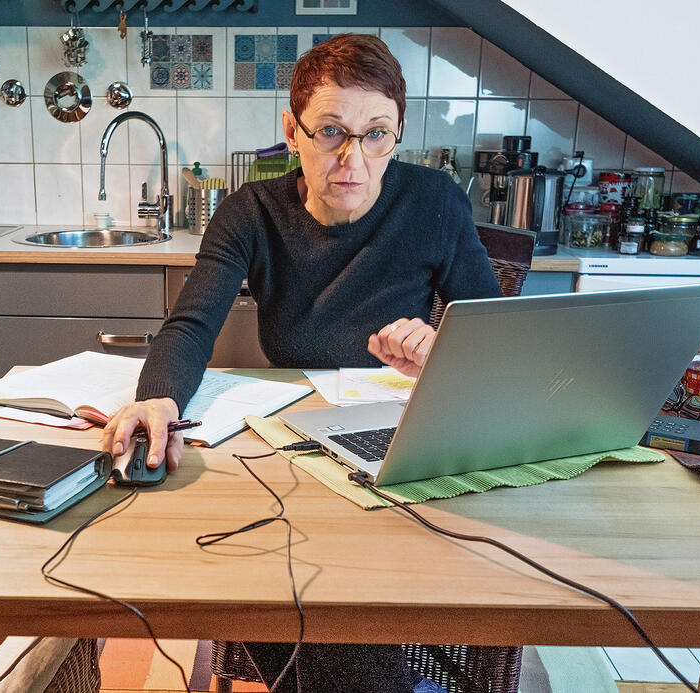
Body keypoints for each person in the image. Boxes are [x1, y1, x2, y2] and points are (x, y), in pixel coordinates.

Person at [99, 34, 502, 691]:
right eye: (331, 132)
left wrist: (440, 352)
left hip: (397, 440)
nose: (352, 159)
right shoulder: (249, 213)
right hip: (291, 445)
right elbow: (192, 322)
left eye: (376, 136)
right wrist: (159, 398)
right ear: (292, 130)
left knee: (306, 582)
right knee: (252, 560)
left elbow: (491, 340)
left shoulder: (434, 203)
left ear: (396, 137)